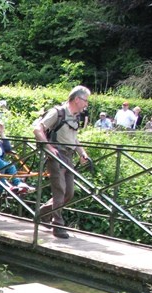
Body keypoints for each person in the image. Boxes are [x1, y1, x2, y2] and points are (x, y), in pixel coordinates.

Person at [33, 85, 92, 239]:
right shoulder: (57, 112)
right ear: (77, 99)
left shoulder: (75, 116)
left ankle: (42, 213)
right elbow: (37, 129)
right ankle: (57, 225)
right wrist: (49, 148)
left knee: (69, 192)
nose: (86, 104)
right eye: (85, 100)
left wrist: (82, 153)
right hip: (57, 155)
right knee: (59, 190)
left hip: (69, 155)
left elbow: (74, 138)